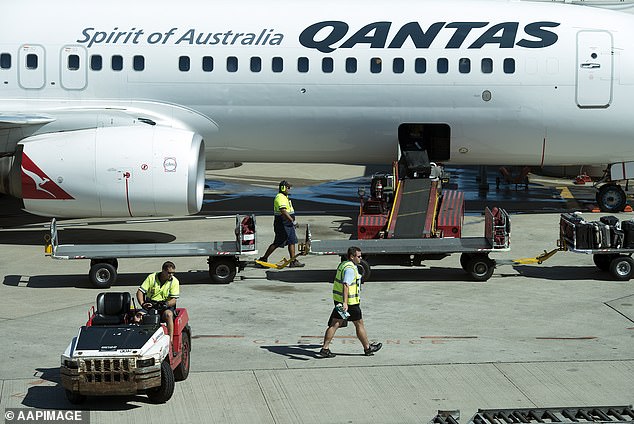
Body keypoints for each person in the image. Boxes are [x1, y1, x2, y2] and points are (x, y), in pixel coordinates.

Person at [319, 246, 382, 358]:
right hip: (350, 304)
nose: (360, 258)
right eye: (358, 256)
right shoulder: (350, 269)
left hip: (340, 302)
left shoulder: (343, 265)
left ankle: (325, 349)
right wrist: (345, 303)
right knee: (358, 324)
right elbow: (346, 285)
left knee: (335, 324)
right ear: (352, 257)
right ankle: (367, 348)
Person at [258, 180, 304, 267]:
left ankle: (293, 261)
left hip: (288, 224)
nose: (289, 189)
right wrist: (292, 220)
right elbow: (283, 211)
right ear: (283, 188)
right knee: (278, 242)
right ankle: (263, 258)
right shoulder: (280, 197)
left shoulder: (285, 197)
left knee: (292, 241)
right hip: (282, 224)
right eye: (288, 187)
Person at [136, 261, 179, 351]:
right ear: (163, 271)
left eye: (173, 273)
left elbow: (173, 300)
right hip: (151, 305)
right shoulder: (151, 278)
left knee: (169, 315)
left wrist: (165, 304)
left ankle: (170, 341)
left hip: (165, 306)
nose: (171, 275)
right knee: (137, 317)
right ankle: (140, 342)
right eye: (169, 273)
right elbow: (140, 292)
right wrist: (143, 303)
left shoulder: (174, 281)